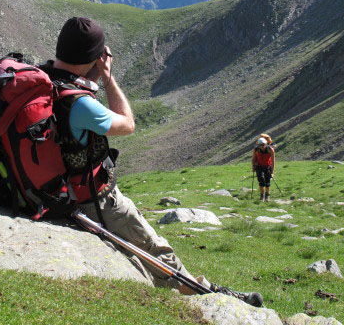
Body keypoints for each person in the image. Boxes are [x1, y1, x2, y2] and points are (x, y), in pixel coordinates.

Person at [45, 17, 261, 305]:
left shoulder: (42, 80)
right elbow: (127, 124)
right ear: (95, 57)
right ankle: (204, 295)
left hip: (48, 190)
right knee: (154, 247)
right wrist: (107, 77)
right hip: (93, 200)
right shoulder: (79, 103)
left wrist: (90, 75)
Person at [252, 137, 275, 202]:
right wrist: (253, 167)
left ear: (265, 144)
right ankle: (262, 196)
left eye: (263, 145)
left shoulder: (270, 149)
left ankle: (267, 196)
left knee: (267, 183)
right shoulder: (256, 150)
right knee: (261, 181)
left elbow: (273, 161)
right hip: (259, 167)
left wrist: (272, 172)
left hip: (268, 167)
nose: (262, 147)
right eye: (260, 145)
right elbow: (253, 159)